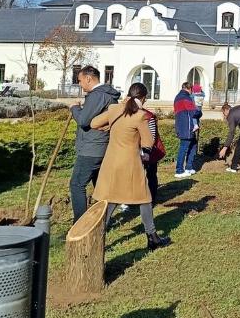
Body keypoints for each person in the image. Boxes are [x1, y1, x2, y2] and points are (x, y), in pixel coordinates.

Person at [90, 83, 171, 250]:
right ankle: (152, 236)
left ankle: (96, 239)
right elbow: (148, 142)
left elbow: (93, 123)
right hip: (130, 163)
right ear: (143, 98)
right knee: (145, 198)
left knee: (111, 199)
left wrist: (109, 126)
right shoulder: (140, 115)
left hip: (111, 163)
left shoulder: (114, 109)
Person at [68, 66, 120, 223]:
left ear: (89, 78)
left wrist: (74, 108)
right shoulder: (107, 95)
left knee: (77, 184)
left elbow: (84, 120)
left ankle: (81, 224)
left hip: (92, 148)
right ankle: (104, 220)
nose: (80, 84)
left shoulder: (97, 96)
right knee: (100, 186)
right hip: (101, 145)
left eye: (80, 80)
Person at [173, 82, 202, 178]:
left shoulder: (178, 97)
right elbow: (194, 111)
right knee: (183, 147)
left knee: (193, 145)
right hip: (186, 126)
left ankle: (189, 167)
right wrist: (200, 112)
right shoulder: (185, 97)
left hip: (183, 125)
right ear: (189, 89)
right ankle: (179, 170)